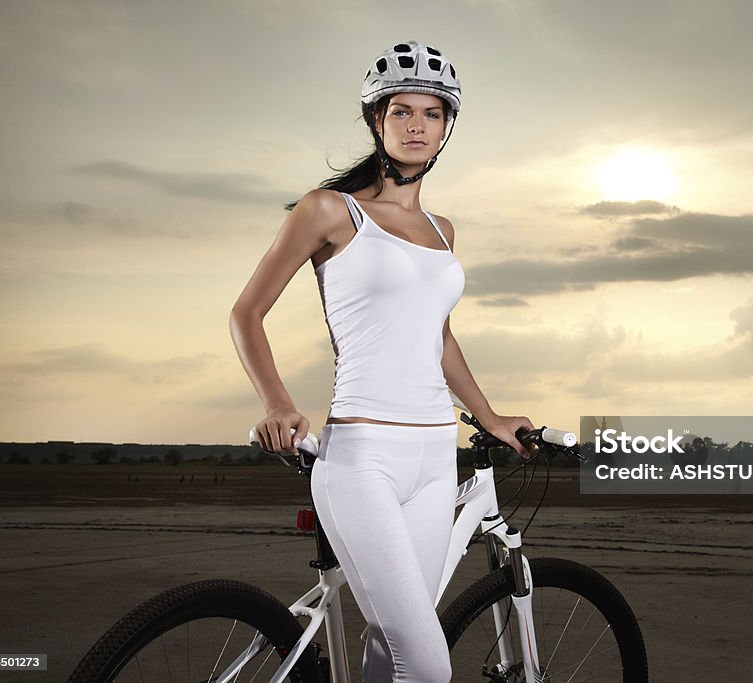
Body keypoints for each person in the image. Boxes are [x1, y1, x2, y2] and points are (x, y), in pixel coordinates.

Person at [229, 41, 533, 682]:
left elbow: (439, 336)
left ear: (448, 126)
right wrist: (277, 402)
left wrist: (489, 415)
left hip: (433, 459)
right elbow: (247, 313)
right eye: (402, 111)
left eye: (433, 113)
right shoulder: (330, 211)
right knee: (426, 667)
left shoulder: (444, 230)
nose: (418, 125)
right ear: (376, 120)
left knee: (386, 651)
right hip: (361, 458)